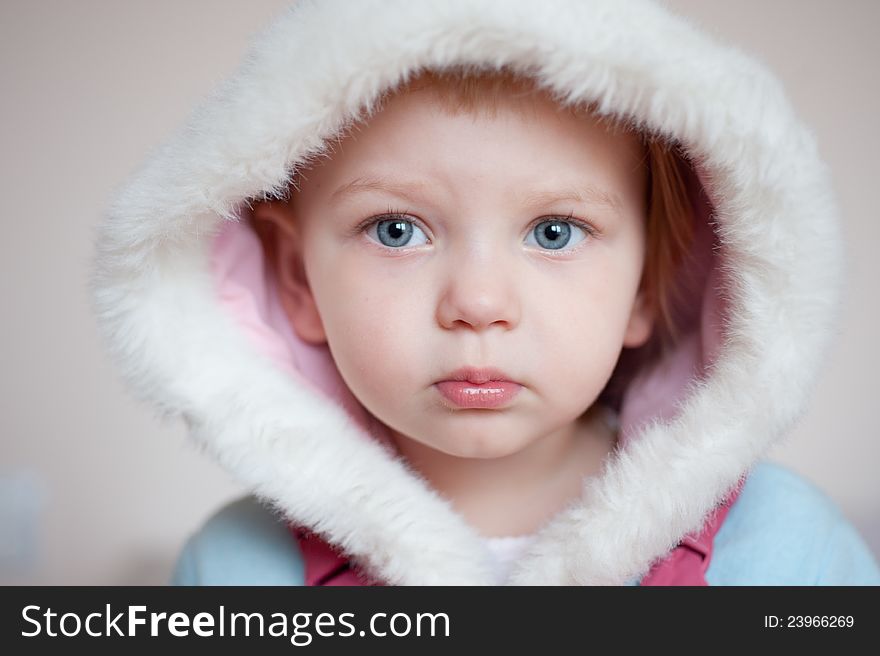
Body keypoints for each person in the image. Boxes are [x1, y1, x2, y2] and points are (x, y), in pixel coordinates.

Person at [91, 0, 879, 585]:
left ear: (648, 284)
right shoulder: (237, 574)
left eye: (554, 232)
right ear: (299, 280)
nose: (477, 302)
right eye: (397, 230)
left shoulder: (786, 554)